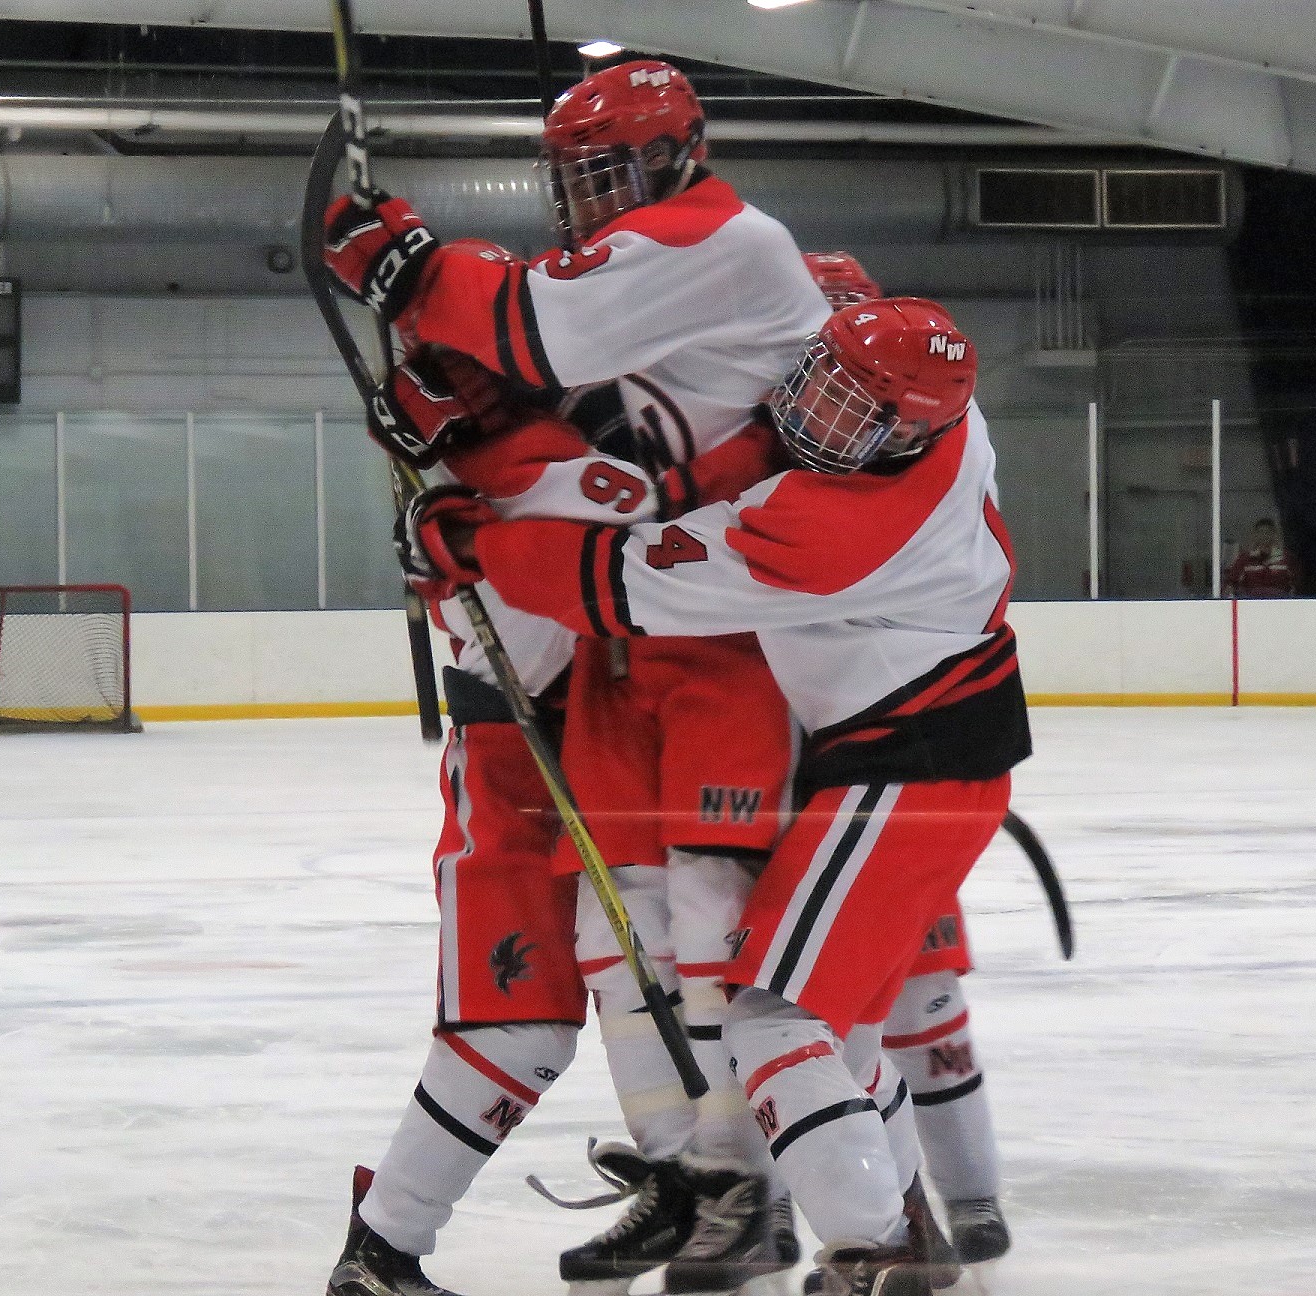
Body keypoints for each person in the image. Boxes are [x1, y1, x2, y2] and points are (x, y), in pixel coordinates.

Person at [320, 57, 829, 1294]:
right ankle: (401, 1249)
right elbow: (573, 531)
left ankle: (723, 1192)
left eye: (610, 171)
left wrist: (423, 296)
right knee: (546, 1007)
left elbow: (579, 424)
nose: (589, 200)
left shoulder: (678, 289)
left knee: (693, 957)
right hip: (525, 741)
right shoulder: (539, 449)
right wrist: (454, 503)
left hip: (636, 695)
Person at [404, 298, 1031, 1296]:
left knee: (775, 1021)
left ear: (906, 432)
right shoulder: (951, 432)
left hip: (907, 776)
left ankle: (877, 1252)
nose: (812, 414)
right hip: (918, 765)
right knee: (842, 1037)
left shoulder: (822, 531)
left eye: (850, 410)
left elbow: (614, 580)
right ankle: (903, 1227)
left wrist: (476, 540)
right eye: (820, 380)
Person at [802, 254, 1012, 1276]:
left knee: (896, 1008)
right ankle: (946, 1208)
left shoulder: (901, 433)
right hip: (906, 745)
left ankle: (941, 1208)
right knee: (891, 1011)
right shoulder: (924, 418)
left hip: (897, 759)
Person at [1222, 517, 1300, 597]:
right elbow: (1230, 584)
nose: (1264, 536)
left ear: (1274, 535)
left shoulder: (1287, 558)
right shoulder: (1245, 559)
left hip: (1280, 603)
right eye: (1261, 532)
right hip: (1251, 603)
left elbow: (1298, 586)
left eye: (1268, 532)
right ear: (1255, 535)